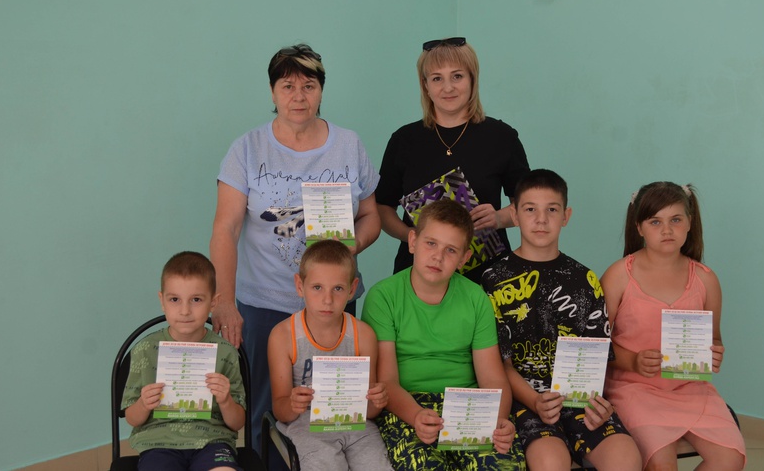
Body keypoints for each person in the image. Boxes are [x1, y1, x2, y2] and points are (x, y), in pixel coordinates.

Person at [210, 43, 381, 464]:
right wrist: (224, 300)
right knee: (264, 409)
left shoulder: (349, 144)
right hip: (265, 304)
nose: (299, 96)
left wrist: (352, 246)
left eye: (309, 85)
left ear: (322, 90)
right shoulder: (247, 149)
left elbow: (371, 217)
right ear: (272, 92)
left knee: (331, 411)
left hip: (332, 301)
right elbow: (225, 229)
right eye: (288, 86)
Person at [480, 169, 641, 471]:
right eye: (530, 209)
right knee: (551, 461)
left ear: (566, 216)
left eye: (552, 210)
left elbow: (597, 356)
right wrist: (535, 401)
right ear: (514, 215)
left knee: (626, 458)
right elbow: (499, 365)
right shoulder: (493, 280)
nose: (541, 219)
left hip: (580, 401)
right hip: (523, 401)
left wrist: (599, 402)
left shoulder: (584, 279)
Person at [362, 199, 525, 470]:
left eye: (451, 250)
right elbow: (387, 381)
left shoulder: (475, 298)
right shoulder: (383, 297)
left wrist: (498, 420)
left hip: (467, 404)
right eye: (430, 243)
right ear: (413, 242)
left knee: (503, 465)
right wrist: (416, 416)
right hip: (407, 404)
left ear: (464, 259)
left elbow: (493, 378)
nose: (438, 256)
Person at [602, 182, 746, 471]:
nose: (666, 230)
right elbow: (595, 343)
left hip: (691, 388)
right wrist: (633, 361)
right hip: (634, 389)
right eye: (655, 222)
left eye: (676, 220)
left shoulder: (706, 279)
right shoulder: (618, 276)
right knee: (661, 462)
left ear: (690, 223)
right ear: (639, 227)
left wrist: (715, 352)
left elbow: (714, 338)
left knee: (731, 458)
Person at [376, 37, 529, 281]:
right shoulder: (404, 140)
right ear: (425, 85)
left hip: (486, 275)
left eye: (457, 76)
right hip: (417, 275)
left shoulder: (502, 137)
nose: (448, 88)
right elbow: (383, 207)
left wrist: (498, 218)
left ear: (472, 80)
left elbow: (528, 206)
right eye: (437, 78)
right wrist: (412, 236)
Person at [267, 240, 393, 471]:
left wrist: (377, 401)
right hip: (306, 425)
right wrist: (293, 404)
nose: (327, 299)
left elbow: (369, 412)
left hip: (357, 425)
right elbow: (280, 410)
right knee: (326, 464)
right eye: (317, 287)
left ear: (352, 289)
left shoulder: (363, 335)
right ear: (299, 285)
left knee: (378, 466)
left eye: (338, 289)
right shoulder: (283, 336)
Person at [122, 251, 245, 471]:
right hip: (158, 443)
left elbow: (237, 423)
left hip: (213, 442)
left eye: (196, 300)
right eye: (174, 300)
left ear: (213, 302)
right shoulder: (144, 350)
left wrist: (226, 401)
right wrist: (143, 404)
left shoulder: (226, 352)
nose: (185, 311)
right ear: (162, 301)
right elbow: (132, 418)